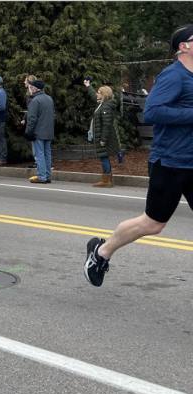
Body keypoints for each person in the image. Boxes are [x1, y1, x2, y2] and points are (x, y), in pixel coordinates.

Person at [84, 25, 193, 287]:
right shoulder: (174, 76)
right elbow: (153, 112)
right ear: (184, 46)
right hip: (170, 162)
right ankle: (101, 252)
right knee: (153, 223)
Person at [89, 85, 121, 188]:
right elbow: (94, 97)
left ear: (104, 95)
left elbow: (106, 124)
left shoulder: (105, 107)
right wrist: (88, 86)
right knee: (103, 157)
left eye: (99, 92)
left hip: (103, 138)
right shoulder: (103, 104)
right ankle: (107, 179)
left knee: (104, 157)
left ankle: (107, 181)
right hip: (100, 137)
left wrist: (103, 139)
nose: (97, 94)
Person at [24, 80, 54, 184]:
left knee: (39, 154)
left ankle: (42, 176)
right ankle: (47, 175)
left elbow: (32, 118)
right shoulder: (49, 98)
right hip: (48, 131)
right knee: (47, 154)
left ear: (35, 88)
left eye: (31, 87)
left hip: (38, 131)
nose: (30, 88)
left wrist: (28, 131)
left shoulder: (35, 100)